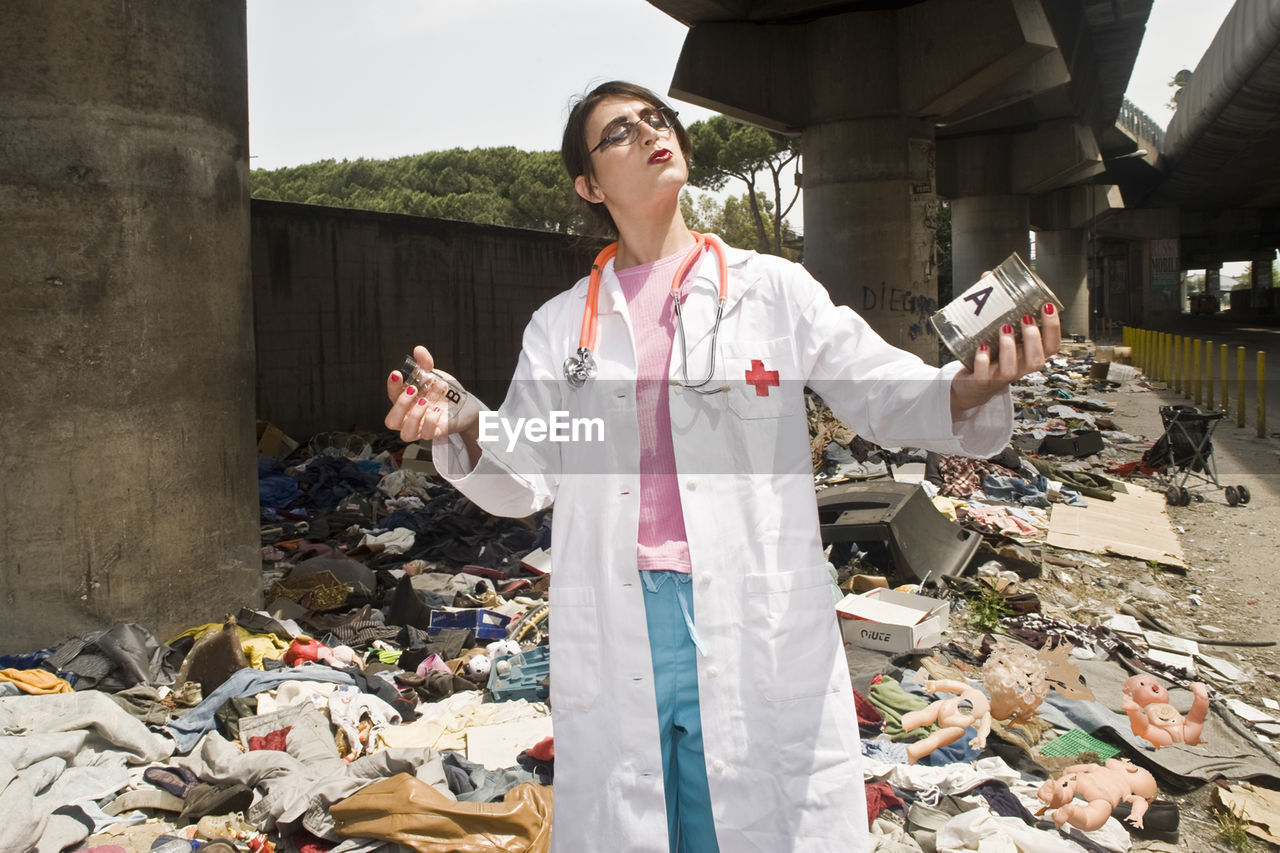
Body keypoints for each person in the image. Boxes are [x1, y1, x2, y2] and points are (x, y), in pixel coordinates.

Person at [384, 80, 1060, 853]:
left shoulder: (770, 290)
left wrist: (975, 383)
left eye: (657, 119)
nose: (648, 132)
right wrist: (465, 421)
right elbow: (532, 468)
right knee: (635, 822)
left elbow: (878, 393)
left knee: (746, 825)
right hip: (619, 615)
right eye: (618, 133)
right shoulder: (563, 324)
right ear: (589, 184)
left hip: (748, 611)